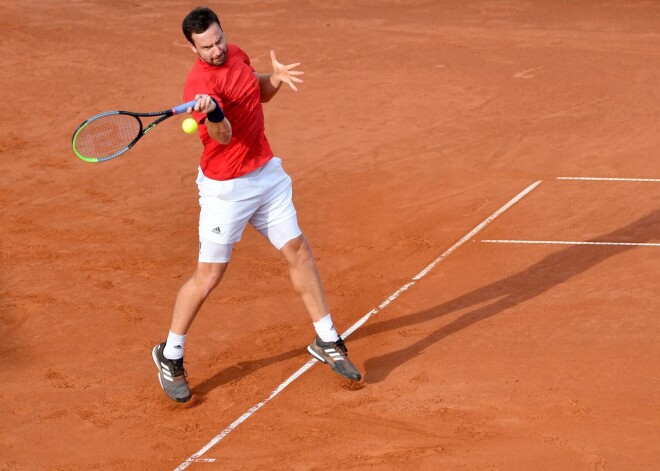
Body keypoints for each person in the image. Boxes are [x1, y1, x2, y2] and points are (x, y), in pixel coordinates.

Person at [151, 6, 361, 403]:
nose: (217, 51)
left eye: (219, 40)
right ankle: (170, 353)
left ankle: (327, 340)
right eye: (207, 47)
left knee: (298, 250)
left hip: (265, 174)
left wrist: (276, 78)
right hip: (226, 190)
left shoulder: (238, 54)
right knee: (209, 276)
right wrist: (212, 111)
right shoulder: (199, 86)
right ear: (193, 48)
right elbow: (225, 136)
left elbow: (257, 91)